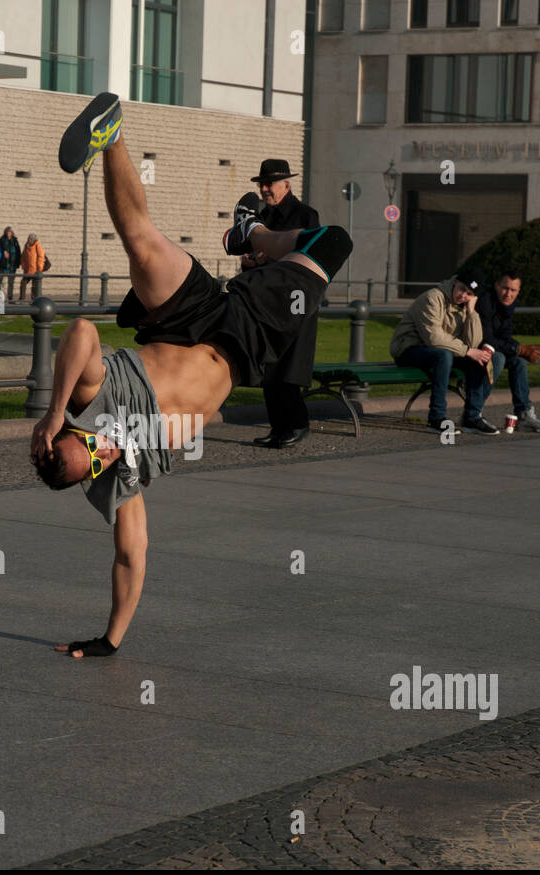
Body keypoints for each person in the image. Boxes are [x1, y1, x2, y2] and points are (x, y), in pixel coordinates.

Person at [32, 92, 352, 658]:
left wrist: (55, 411)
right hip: (244, 338)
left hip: (182, 319)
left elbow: (81, 331)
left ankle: (113, 135)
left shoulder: (86, 400)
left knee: (139, 239)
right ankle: (253, 235)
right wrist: (109, 640)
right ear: (92, 476)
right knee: (334, 241)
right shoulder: (118, 482)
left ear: (76, 431)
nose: (104, 446)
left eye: (90, 440)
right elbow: (132, 556)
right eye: (98, 459)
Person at [243, 158, 321, 449]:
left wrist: (270, 257)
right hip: (268, 305)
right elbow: (252, 264)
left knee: (290, 369)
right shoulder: (262, 219)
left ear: (286, 184)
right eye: (261, 184)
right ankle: (278, 428)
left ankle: (298, 425)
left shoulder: (306, 216)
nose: (264, 189)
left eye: (269, 184)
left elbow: (309, 259)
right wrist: (250, 262)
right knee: (270, 369)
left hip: (297, 304)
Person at [388, 267, 499, 434]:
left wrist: (471, 313)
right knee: (444, 355)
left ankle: (472, 416)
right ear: (455, 282)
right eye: (462, 289)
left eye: (469, 293)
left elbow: (473, 343)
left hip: (440, 352)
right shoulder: (432, 298)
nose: (463, 296)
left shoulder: (464, 307)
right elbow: (434, 338)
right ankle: (436, 417)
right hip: (408, 349)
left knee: (488, 359)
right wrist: (467, 351)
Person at [474, 270, 540, 432]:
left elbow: (504, 336)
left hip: (491, 349)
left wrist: (518, 349)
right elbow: (486, 338)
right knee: (498, 358)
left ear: (518, 291)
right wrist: (518, 348)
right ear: (496, 285)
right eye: (505, 288)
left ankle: (524, 414)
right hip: (472, 349)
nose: (508, 294)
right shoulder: (485, 301)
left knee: (518, 362)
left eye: (513, 290)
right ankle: (473, 412)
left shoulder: (508, 306)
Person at [20, 232, 45, 302]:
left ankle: (34, 299)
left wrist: (39, 268)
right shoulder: (26, 246)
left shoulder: (38, 246)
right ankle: (22, 298)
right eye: (28, 239)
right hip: (27, 269)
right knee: (23, 283)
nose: (28, 240)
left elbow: (41, 257)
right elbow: (23, 256)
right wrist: (23, 265)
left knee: (34, 285)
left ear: (33, 240)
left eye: (30, 239)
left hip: (35, 270)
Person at [0, 226, 22, 302]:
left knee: (11, 282)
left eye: (10, 232)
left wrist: (18, 262)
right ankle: (1, 297)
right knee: (2, 281)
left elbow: (18, 251)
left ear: (12, 233)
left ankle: (10, 296)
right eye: (7, 232)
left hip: (12, 265)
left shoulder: (15, 241)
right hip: (4, 264)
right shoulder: (1, 240)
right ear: (5, 232)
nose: (9, 233)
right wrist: (3, 251)